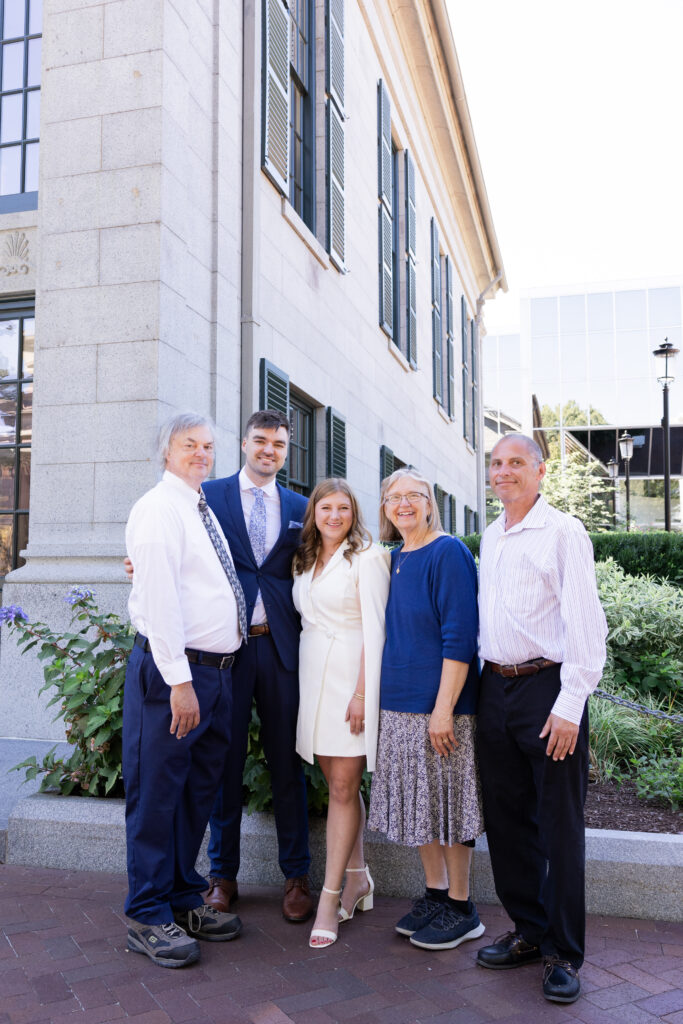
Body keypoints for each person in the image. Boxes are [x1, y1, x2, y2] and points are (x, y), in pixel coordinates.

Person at [475, 434, 607, 1005]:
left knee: (558, 828)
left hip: (548, 690)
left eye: (515, 463)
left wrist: (570, 704)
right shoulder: (491, 534)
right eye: (496, 463)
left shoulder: (563, 532)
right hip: (493, 689)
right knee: (506, 824)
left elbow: (585, 623)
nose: (502, 472)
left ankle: (563, 952)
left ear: (540, 471)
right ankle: (529, 931)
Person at [123, 412, 244, 968]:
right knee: (157, 795)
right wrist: (179, 682)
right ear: (165, 450)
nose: (201, 453)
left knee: (196, 791)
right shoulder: (157, 508)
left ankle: (180, 895)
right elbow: (162, 600)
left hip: (216, 672)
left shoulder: (198, 506)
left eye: (208, 445)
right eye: (189, 444)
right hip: (179, 675)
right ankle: (147, 913)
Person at [368, 467, 485, 951]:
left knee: (451, 808)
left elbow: (460, 637)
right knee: (422, 807)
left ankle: (462, 906)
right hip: (398, 706)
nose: (403, 504)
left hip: (442, 708)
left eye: (413, 495)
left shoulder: (448, 552)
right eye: (394, 497)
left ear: (430, 501)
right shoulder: (394, 557)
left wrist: (444, 709)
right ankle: (435, 894)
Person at [203, 410, 313, 922]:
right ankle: (222, 877)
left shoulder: (300, 505)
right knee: (223, 762)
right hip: (226, 648)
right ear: (244, 443)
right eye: (261, 441)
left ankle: (296, 877)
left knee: (286, 763)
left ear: (286, 451)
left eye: (279, 444)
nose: (269, 450)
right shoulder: (211, 495)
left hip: (278, 649)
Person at [292, 479, 390, 948]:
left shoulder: (367, 558)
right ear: (313, 512)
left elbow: (377, 631)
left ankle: (330, 898)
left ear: (354, 513)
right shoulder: (305, 559)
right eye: (325, 507)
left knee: (345, 786)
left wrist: (360, 695)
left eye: (343, 508)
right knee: (337, 785)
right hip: (313, 682)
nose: (334, 516)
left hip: (352, 680)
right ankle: (358, 878)